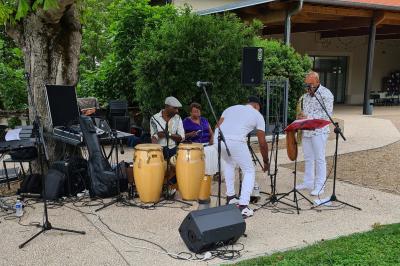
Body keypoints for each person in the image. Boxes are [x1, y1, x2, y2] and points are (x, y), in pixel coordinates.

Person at [216, 96, 269, 218]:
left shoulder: (230, 108)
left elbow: (218, 126)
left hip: (218, 139)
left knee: (229, 163)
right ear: (256, 106)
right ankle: (243, 206)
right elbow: (262, 143)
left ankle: (230, 198)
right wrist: (266, 162)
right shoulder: (257, 115)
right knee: (249, 170)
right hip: (235, 140)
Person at [296, 71, 334, 196]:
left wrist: (308, 116)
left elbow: (326, 115)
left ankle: (320, 185)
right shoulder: (306, 96)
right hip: (307, 130)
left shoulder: (326, 94)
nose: (308, 87)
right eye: (306, 84)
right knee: (308, 158)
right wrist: (302, 117)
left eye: (310, 84)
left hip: (319, 131)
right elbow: (305, 111)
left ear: (317, 82)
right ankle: (308, 182)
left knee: (319, 158)